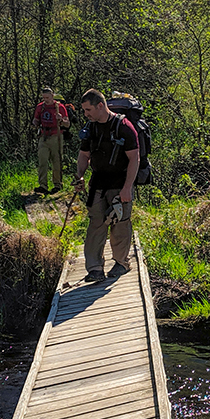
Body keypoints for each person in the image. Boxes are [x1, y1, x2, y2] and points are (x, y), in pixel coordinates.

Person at [73, 88, 139, 283]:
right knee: (96, 224)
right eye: (84, 110)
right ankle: (94, 268)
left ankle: (121, 262)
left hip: (120, 184)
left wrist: (127, 187)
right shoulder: (91, 128)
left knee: (120, 224)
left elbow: (134, 159)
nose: (86, 114)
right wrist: (80, 176)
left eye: (88, 110)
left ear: (100, 106)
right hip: (97, 184)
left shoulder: (124, 127)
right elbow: (84, 155)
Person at [32, 87, 69, 194]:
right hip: (43, 136)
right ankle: (43, 185)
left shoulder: (60, 107)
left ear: (52, 96)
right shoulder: (40, 107)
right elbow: (36, 119)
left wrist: (61, 119)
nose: (45, 100)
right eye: (43, 98)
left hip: (56, 136)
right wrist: (34, 124)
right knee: (42, 161)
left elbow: (67, 124)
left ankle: (57, 184)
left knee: (56, 161)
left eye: (47, 97)